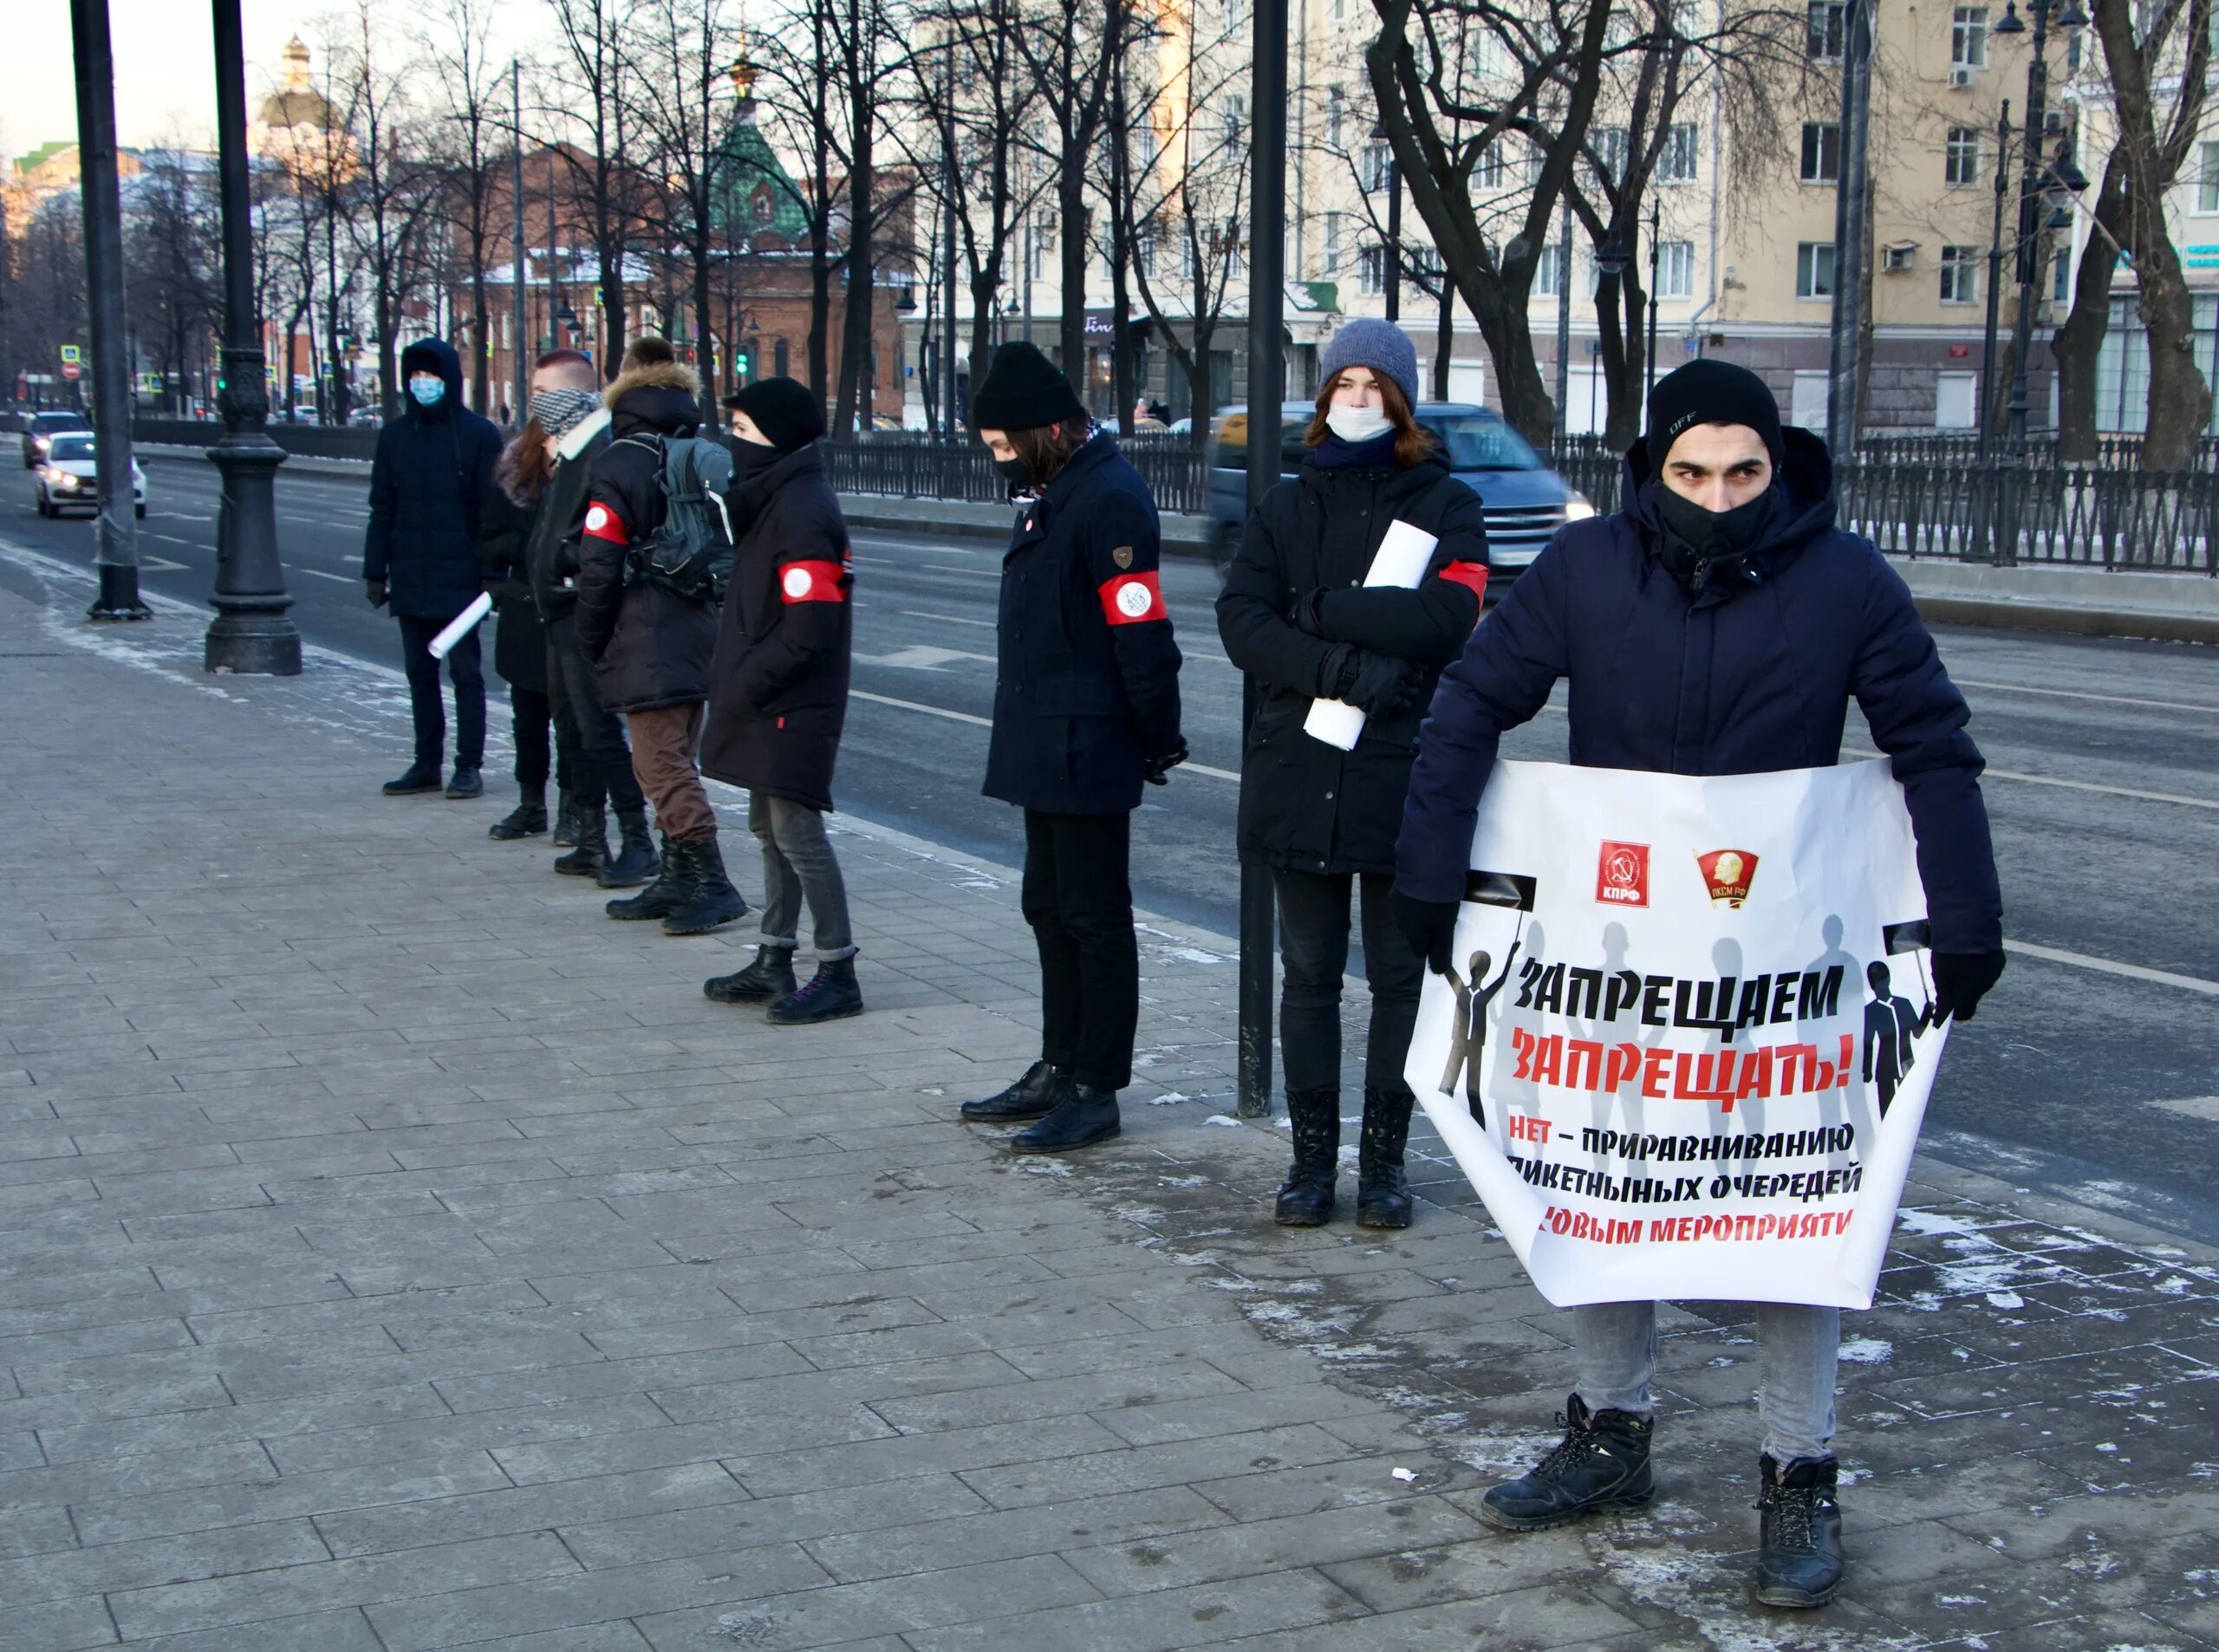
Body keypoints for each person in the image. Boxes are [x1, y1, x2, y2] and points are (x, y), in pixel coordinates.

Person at [1393, 358, 2007, 1609]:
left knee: (1796, 1205)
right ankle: (1609, 1432)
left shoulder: (1846, 581)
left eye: (1743, 473)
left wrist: (1965, 916)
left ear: (1777, 467)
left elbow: (1931, 745)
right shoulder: (1584, 571)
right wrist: (1431, 870)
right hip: (1615, 962)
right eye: (1691, 473)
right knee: (1600, 1180)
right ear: (1651, 468)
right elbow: (1469, 704)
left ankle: (1799, 1470)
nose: (1718, 496)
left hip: (1787, 963)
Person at [1217, 319, 1490, 1228]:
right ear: (1324, 398)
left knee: (1399, 981)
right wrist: (1342, 667)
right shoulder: (1284, 506)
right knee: (1308, 976)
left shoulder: (1445, 502)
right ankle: (1308, 1166)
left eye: (1375, 386)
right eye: (1345, 385)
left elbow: (1449, 615)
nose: (1359, 400)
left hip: (1400, 775)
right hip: (1299, 770)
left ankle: (1383, 1167)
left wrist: (1326, 609)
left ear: (1400, 400)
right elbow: (1242, 622)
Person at [958, 342, 1185, 1153]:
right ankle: (1058, 1064)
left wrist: (1157, 734)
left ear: (1048, 429)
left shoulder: (1110, 499)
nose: (998, 461)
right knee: (1048, 907)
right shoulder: (1053, 492)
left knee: (1094, 916)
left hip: (1088, 745)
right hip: (1042, 741)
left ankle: (1097, 1085)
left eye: (1003, 445)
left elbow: (1141, 630)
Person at [700, 379, 863, 1024]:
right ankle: (774, 957)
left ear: (776, 438)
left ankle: (837, 969)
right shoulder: (774, 500)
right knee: (769, 827)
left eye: (743, 431)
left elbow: (809, 629)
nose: (733, 444)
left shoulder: (801, 509)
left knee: (797, 832)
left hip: (793, 699)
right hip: (773, 694)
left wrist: (744, 686)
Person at [576, 335, 746, 937]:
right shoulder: (693, 448)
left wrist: (588, 638)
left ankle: (711, 884)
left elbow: (599, 561)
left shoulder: (617, 461)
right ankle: (677, 878)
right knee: (674, 755)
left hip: (645, 637)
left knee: (661, 765)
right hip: (698, 626)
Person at [517, 349, 658, 884]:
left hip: (582, 611)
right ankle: (593, 840)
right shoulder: (570, 453)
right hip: (559, 610)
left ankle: (637, 841)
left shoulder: (598, 453)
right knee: (572, 728)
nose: (537, 406)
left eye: (546, 395)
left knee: (598, 731)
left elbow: (603, 536)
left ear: (575, 398)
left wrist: (567, 570)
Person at [364, 337, 504, 799]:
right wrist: (375, 571)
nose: (423, 385)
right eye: (416, 377)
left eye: (432, 376)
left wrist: (492, 574)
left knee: (466, 674)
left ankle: (469, 766)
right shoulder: (395, 436)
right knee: (419, 675)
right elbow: (381, 508)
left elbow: (492, 510)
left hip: (462, 578)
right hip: (411, 572)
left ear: (450, 380)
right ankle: (427, 763)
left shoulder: (479, 434)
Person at [478, 406, 577, 840]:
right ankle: (531, 803)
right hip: (523, 604)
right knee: (528, 716)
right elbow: (488, 537)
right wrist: (534, 544)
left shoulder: (590, 464)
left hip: (571, 608)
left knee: (574, 718)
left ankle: (577, 809)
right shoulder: (513, 468)